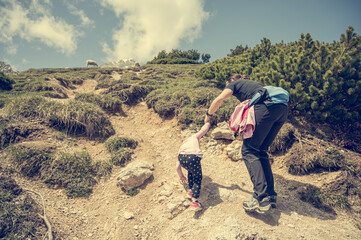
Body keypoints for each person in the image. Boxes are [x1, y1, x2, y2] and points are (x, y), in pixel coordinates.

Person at [204, 74, 289, 213]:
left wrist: (208, 115)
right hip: (282, 110)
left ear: (230, 81)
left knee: (249, 150)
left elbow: (220, 98)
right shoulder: (255, 85)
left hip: (266, 108)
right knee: (261, 151)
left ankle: (261, 197)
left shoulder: (235, 84)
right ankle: (271, 196)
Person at [176, 122, 211, 211]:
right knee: (198, 177)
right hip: (193, 157)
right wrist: (208, 123)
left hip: (182, 158)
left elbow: (177, 166)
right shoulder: (194, 137)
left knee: (190, 171)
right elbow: (203, 130)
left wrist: (181, 176)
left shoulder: (182, 147)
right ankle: (195, 202)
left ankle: (190, 191)